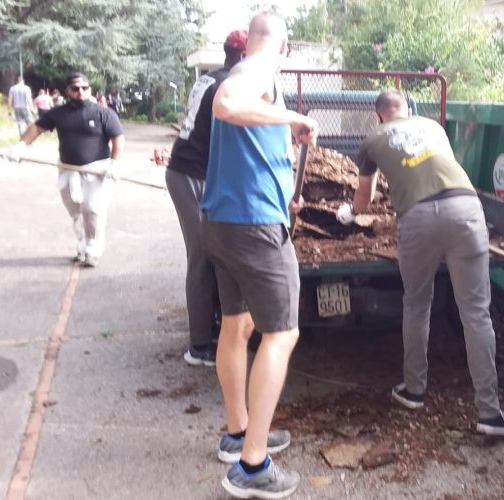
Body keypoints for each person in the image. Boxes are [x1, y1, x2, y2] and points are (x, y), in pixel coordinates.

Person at [336, 90, 504, 437]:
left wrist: (349, 213)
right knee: (476, 312)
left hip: (417, 219)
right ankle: (490, 414)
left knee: (417, 304)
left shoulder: (372, 139)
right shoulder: (434, 127)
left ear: (379, 116)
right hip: (465, 208)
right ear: (409, 109)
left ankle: (414, 390)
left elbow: (366, 197)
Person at [202, 12, 317, 498]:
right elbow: (227, 104)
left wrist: (284, 172)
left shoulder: (252, 75)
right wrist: (293, 117)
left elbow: (245, 135)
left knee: (238, 325)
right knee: (282, 333)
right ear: (283, 47)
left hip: (222, 222)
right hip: (253, 228)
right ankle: (252, 466)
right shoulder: (256, 72)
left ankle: (238, 433)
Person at [166, 29, 247, 368]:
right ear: (242, 57)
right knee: (201, 255)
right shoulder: (228, 85)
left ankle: (213, 327)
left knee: (214, 252)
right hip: (191, 175)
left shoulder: (213, 77)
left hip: (196, 172)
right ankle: (199, 346)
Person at [8, 72, 125, 268]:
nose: (80, 91)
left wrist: (114, 162)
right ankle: (82, 244)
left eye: (84, 88)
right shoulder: (59, 113)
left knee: (92, 208)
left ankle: (93, 248)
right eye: (75, 88)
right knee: (76, 212)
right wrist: (20, 145)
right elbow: (37, 128)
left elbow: (118, 138)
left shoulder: (103, 113)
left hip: (97, 171)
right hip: (67, 170)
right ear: (68, 91)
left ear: (90, 89)